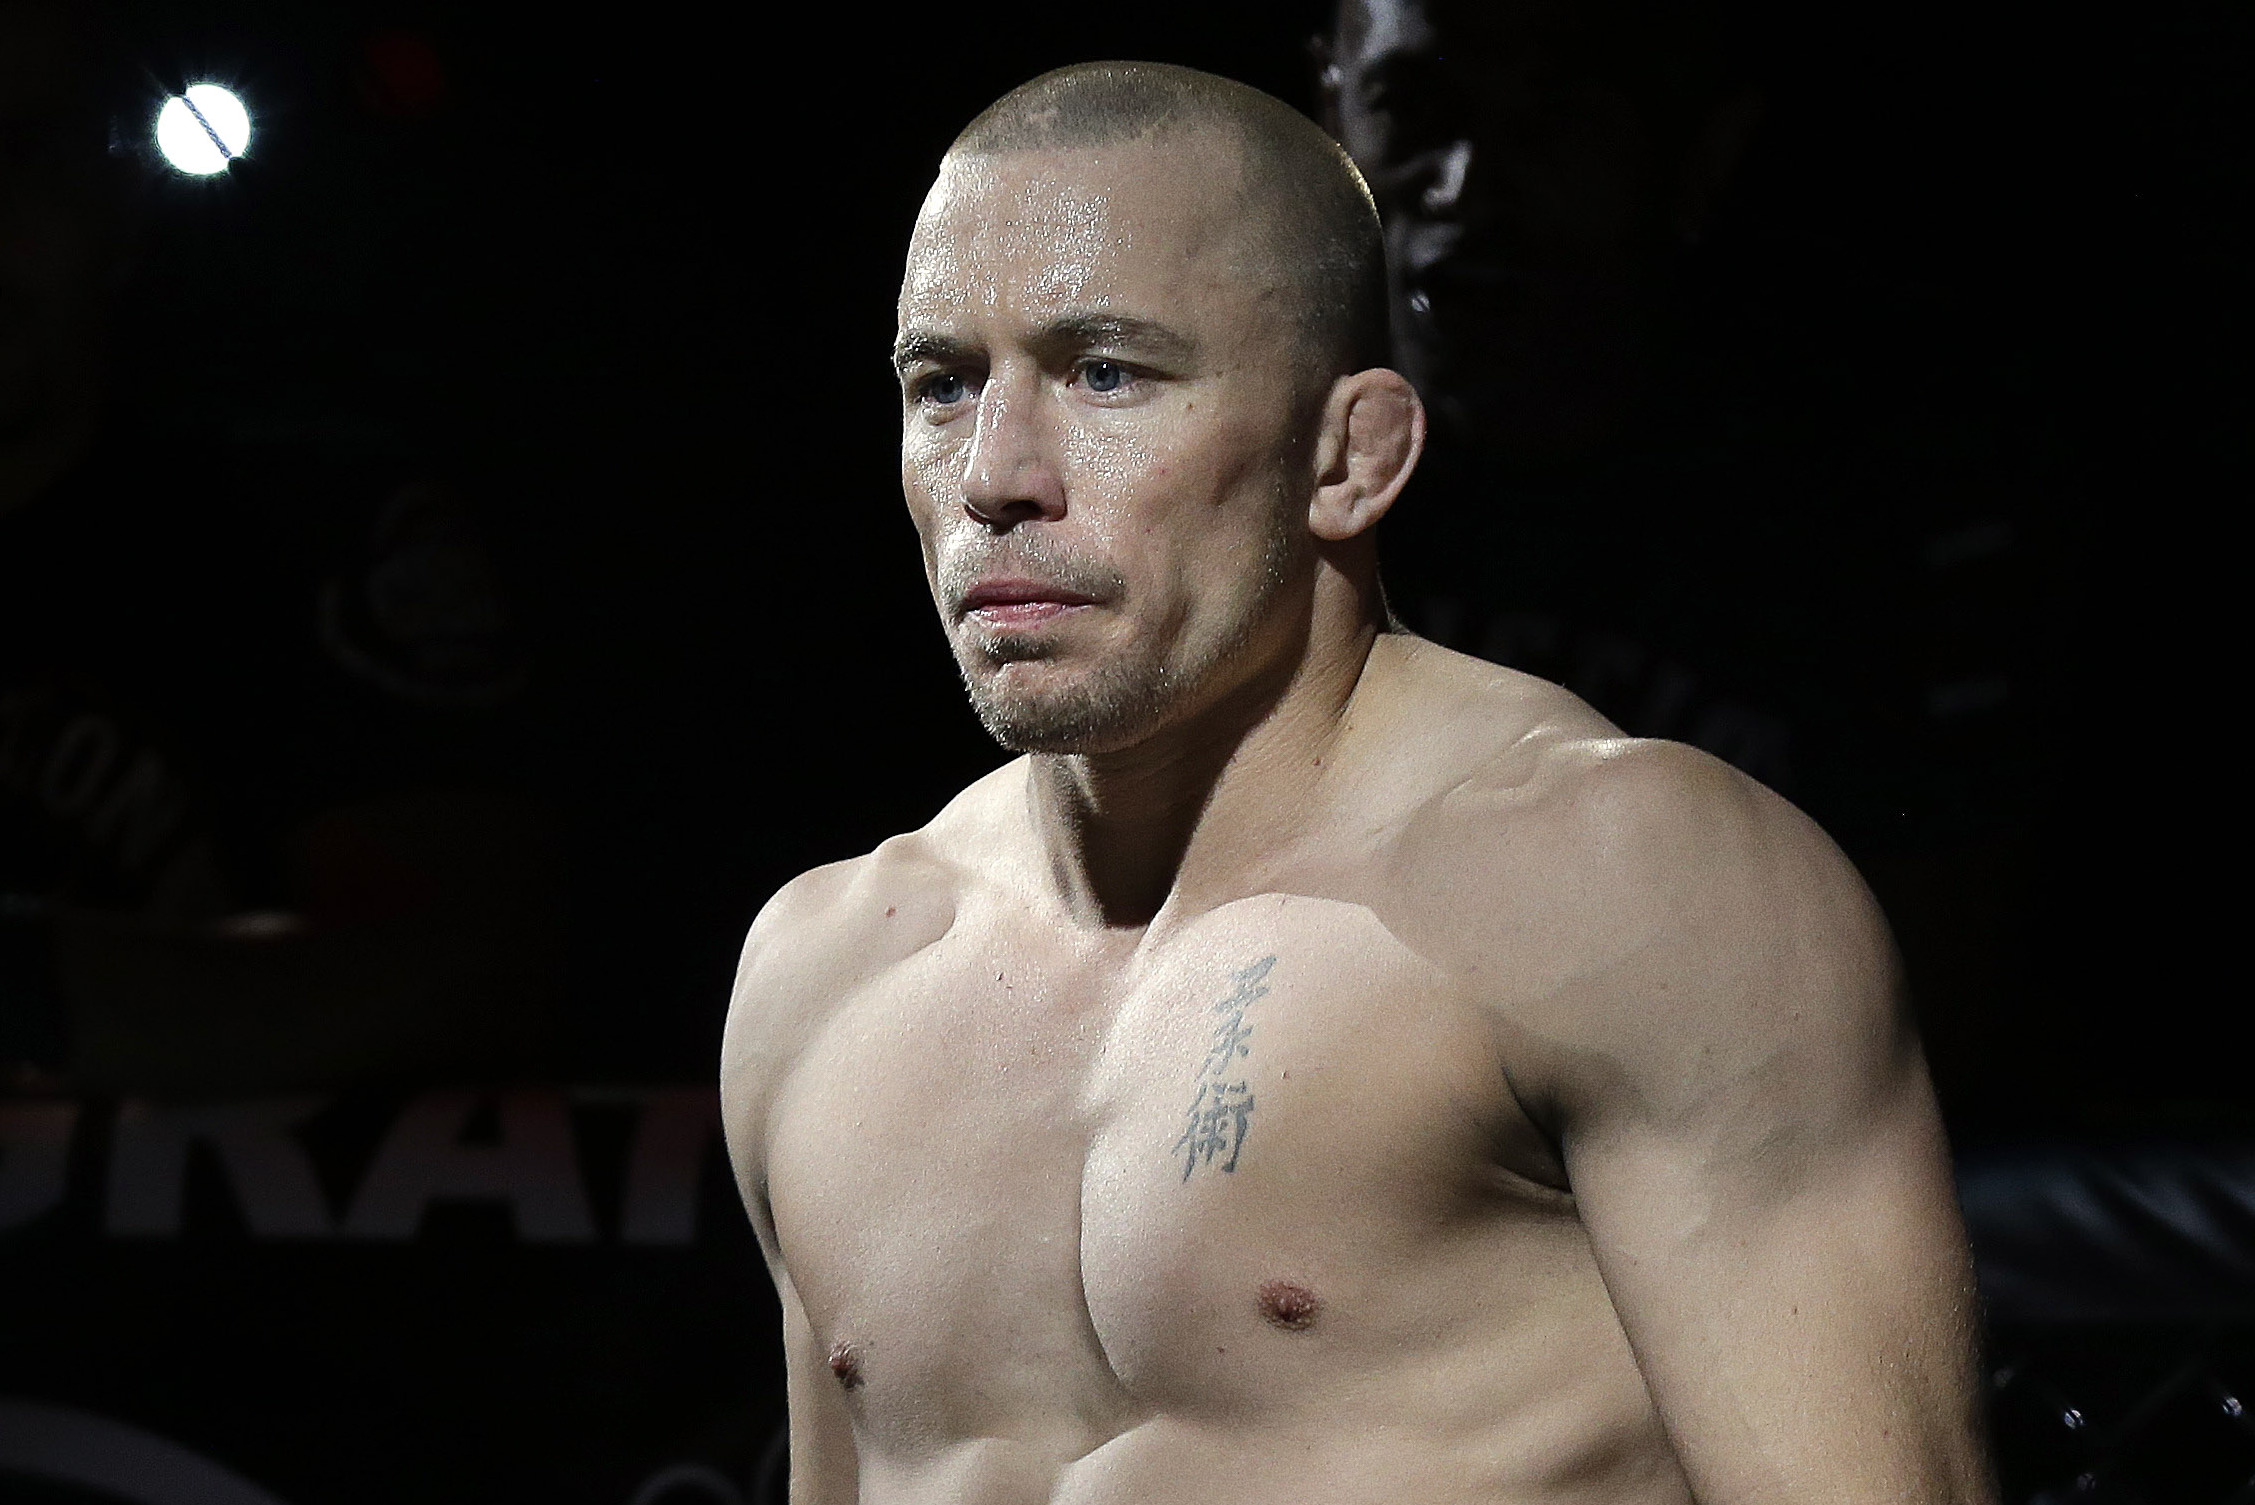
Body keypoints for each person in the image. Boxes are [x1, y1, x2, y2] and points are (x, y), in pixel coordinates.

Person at [721, 61, 1994, 1504]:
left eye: (1106, 373)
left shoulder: (1632, 885)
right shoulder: (826, 971)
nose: (996, 474)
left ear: (1351, 454)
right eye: (944, 384)